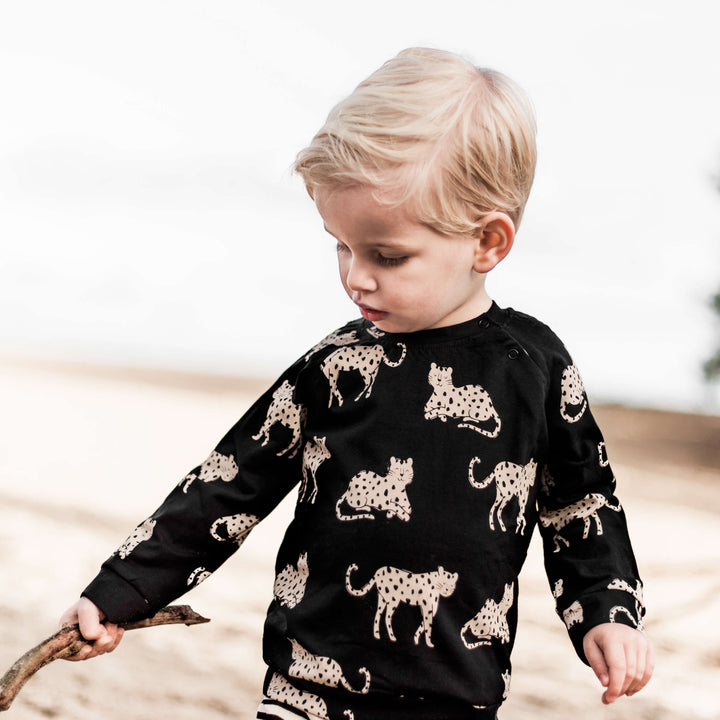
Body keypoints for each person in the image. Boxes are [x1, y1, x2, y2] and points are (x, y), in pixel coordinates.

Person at [60, 47, 654, 719]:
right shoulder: (337, 366)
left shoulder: (534, 366)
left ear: (487, 242)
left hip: (455, 698)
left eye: (388, 255)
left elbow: (580, 503)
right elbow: (229, 483)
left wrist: (608, 611)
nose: (355, 277)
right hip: (305, 687)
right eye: (341, 245)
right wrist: (123, 587)